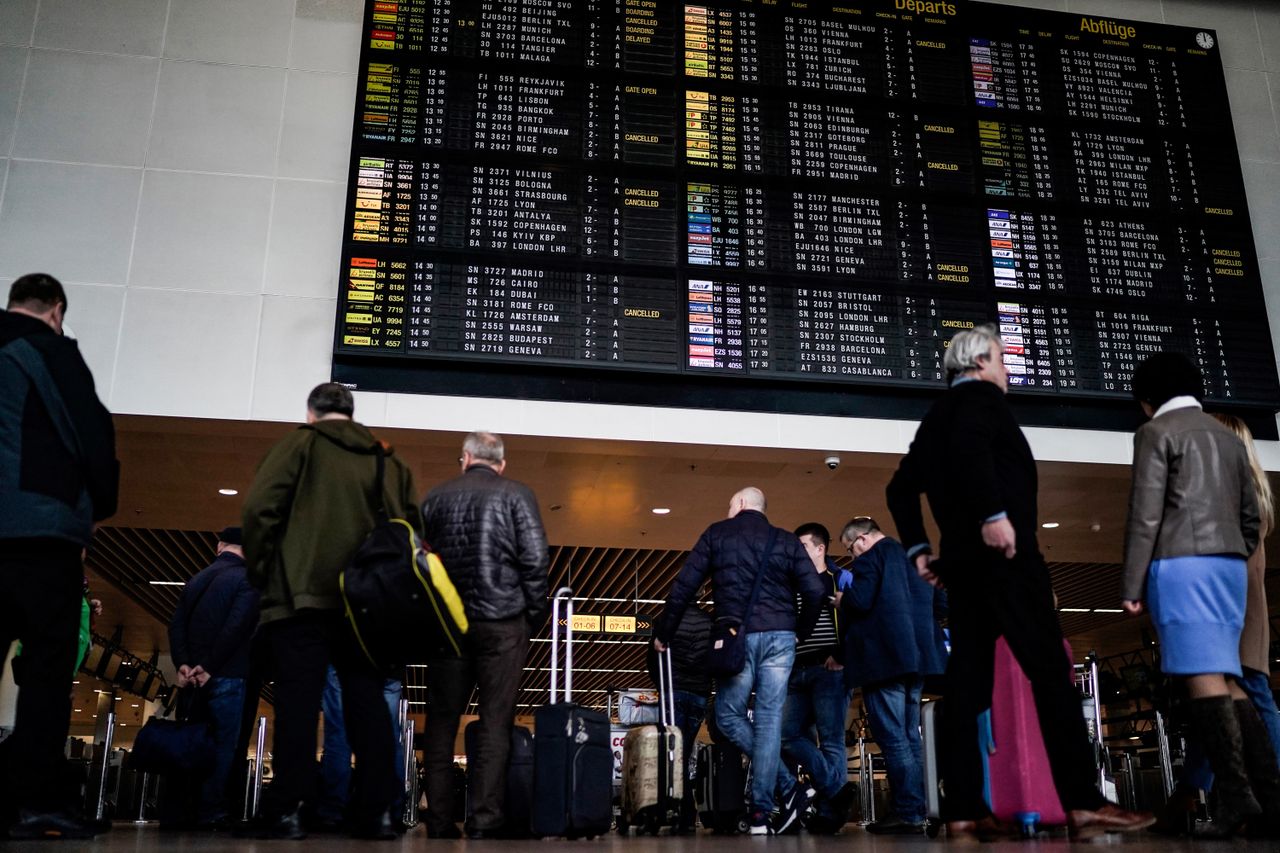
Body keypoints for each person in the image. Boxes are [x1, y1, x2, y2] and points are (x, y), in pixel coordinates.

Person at [886, 323, 1153, 841]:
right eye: (1003, 360)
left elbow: (900, 489)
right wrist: (992, 513)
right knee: (1052, 675)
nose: (1007, 371)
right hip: (1007, 560)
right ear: (980, 362)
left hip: (963, 569)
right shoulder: (982, 403)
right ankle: (1083, 803)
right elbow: (971, 453)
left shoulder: (935, 416)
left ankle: (964, 808)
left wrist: (920, 549)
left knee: (966, 688)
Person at [241, 383, 420, 840]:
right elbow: (410, 531)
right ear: (352, 413)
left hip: (301, 598)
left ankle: (290, 810)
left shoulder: (299, 445)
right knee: (366, 703)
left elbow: (261, 508)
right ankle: (379, 811)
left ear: (312, 412)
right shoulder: (388, 460)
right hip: (366, 605)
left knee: (299, 705)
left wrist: (265, 573)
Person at [1120, 353, 1274, 838]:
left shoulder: (1155, 433)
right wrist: (1231, 554)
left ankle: (1237, 799)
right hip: (1229, 568)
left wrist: (1131, 583)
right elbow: (1251, 513)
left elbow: (1146, 513)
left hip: (1181, 566)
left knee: (1201, 679)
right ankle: (1269, 794)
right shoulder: (1228, 436)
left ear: (1147, 400)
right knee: (1228, 678)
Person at [1, 273, 118, 840]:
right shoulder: (54, 352)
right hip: (40, 535)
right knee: (46, 673)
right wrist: (99, 506)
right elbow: (95, 437)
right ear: (56, 310)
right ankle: (33, 802)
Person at [654, 487, 824, 836]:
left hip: (737, 637)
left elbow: (684, 586)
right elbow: (816, 590)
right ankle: (765, 811)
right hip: (780, 637)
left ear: (742, 504)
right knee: (768, 722)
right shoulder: (786, 541)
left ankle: (787, 788)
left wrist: (665, 632)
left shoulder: (717, 533)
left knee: (728, 715)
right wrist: (799, 632)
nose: (728, 509)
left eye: (729, 503)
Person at [419, 431, 549, 839]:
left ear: (464, 457)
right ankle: (484, 820)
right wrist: (531, 618)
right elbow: (535, 559)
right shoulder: (517, 494)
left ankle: (439, 821)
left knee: (441, 723)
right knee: (495, 722)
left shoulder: (435, 499)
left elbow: (419, 565)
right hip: (503, 622)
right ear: (501, 463)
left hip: (448, 625)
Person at [838, 516, 947, 835]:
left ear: (861, 540)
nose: (853, 555)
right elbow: (942, 605)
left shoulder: (872, 558)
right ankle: (924, 808)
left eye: (850, 549)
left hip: (884, 661)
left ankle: (908, 812)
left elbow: (860, 601)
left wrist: (844, 599)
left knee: (893, 737)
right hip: (920, 660)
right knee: (911, 736)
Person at [166, 526, 260, 830]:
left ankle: (181, 810)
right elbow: (236, 627)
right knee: (223, 746)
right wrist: (209, 665)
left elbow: (175, 624)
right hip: (227, 674)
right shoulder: (248, 579)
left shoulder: (196, 580)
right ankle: (212, 811)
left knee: (190, 743)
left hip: (191, 678)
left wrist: (184, 663)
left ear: (220, 546)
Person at [775, 522, 855, 834]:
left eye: (803, 547)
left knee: (831, 740)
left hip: (829, 668)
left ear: (820, 548)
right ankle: (837, 790)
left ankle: (828, 813)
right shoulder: (790, 584)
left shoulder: (839, 579)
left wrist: (842, 656)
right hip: (795, 670)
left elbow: (855, 619)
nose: (797, 554)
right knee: (786, 735)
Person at [646, 603, 712, 832]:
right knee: (683, 751)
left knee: (674, 753)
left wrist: (661, 685)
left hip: (673, 691)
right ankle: (684, 811)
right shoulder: (708, 621)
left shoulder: (666, 619)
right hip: (699, 696)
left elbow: (652, 660)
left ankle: (678, 810)